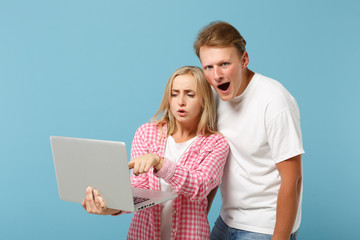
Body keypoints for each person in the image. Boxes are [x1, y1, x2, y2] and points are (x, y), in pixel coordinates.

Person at [82, 66, 229, 240]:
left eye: (190, 94)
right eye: (175, 94)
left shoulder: (216, 143)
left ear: (204, 100)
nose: (181, 101)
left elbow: (199, 187)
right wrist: (109, 208)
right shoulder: (146, 133)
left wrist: (159, 163)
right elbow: (140, 192)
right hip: (142, 234)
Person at [193, 21, 304, 240]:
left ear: (244, 60)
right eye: (208, 67)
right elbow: (212, 168)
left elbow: (293, 180)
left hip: (264, 227)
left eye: (224, 64)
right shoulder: (214, 99)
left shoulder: (274, 101)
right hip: (227, 221)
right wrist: (196, 220)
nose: (217, 75)